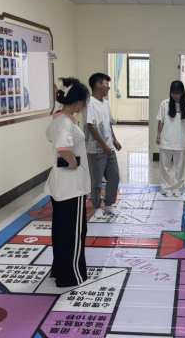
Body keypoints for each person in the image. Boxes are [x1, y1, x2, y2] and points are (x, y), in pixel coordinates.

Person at [44, 77, 91, 287]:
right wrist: (72, 162)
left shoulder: (58, 119)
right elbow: (62, 147)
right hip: (71, 186)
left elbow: (50, 137)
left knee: (61, 229)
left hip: (60, 184)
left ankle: (60, 270)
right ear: (78, 102)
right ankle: (72, 275)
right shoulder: (65, 122)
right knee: (74, 232)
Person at [85, 73, 122, 219]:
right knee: (97, 180)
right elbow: (91, 126)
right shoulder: (90, 103)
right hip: (95, 150)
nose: (108, 87)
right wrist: (103, 145)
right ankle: (96, 207)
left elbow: (108, 124)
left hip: (109, 148)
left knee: (114, 177)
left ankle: (108, 204)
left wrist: (114, 140)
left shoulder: (105, 103)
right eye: (106, 84)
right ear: (98, 84)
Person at [156, 81, 185, 196]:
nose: (175, 95)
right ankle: (166, 189)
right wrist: (158, 136)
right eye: (173, 93)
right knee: (165, 166)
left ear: (182, 93)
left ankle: (178, 188)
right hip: (166, 139)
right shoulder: (164, 104)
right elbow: (161, 121)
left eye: (178, 93)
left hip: (181, 140)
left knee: (180, 166)